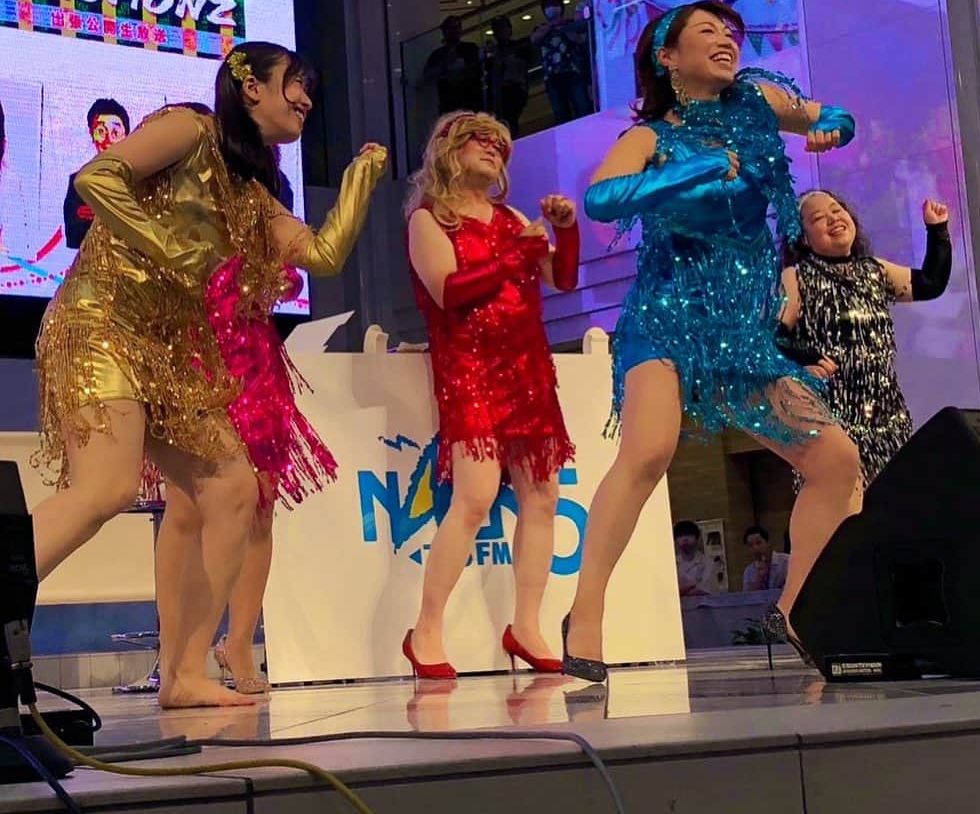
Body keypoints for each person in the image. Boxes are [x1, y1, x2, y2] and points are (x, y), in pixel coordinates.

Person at [32, 42, 388, 708]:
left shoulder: (252, 196)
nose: (307, 99)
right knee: (106, 487)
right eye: (296, 83)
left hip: (170, 353)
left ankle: (187, 674)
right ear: (251, 87)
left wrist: (361, 179)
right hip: (102, 321)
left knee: (230, 488)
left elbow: (324, 254)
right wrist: (172, 248)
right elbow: (96, 179)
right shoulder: (189, 128)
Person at [561, 2, 862, 682]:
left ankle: (794, 608)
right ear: (667, 57)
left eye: (729, 31)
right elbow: (602, 199)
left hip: (741, 330)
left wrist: (833, 129)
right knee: (648, 451)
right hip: (667, 314)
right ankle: (585, 614)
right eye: (706, 31)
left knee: (836, 461)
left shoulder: (758, 102)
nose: (725, 38)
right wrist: (691, 170)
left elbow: (835, 114)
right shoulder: (650, 135)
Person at [403, 110, 580, 678]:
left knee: (543, 497)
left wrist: (566, 231)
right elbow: (449, 292)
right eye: (480, 141)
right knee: (474, 498)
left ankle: (526, 624)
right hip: (471, 369)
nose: (493, 150)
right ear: (449, 149)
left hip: (528, 370)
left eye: (500, 146)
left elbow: (563, 279)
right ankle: (426, 629)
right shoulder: (429, 219)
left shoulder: (513, 219)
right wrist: (514, 258)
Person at [779, 190, 952, 489]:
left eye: (837, 210)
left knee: (898, 501)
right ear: (803, 238)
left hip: (888, 421)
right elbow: (774, 336)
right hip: (834, 423)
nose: (833, 218)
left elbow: (930, 283)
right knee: (844, 504)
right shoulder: (796, 277)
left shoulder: (875, 270)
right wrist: (807, 357)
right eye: (818, 218)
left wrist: (937, 230)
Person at [63, 98, 132, 249]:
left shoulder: (141, 180)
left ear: (126, 135)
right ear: (92, 136)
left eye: (115, 132)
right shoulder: (78, 182)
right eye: (101, 131)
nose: (108, 140)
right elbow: (73, 236)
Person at [530, 0, 591, 125]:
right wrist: (551, 25)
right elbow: (534, 39)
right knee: (561, 113)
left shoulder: (570, 24)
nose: (551, 7)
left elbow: (580, 40)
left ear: (561, 7)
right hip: (552, 77)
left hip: (573, 72)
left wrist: (564, 28)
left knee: (582, 107)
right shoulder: (540, 28)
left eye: (554, 4)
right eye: (548, 5)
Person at [422, 16, 485, 115]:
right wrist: (445, 64)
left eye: (455, 27)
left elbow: (479, 69)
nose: (453, 31)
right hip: (449, 102)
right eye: (449, 28)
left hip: (470, 101)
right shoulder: (438, 54)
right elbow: (427, 76)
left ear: (460, 30)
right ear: (444, 32)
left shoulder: (471, 48)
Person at [485, 15, 532, 138]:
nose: (500, 32)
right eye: (497, 29)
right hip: (498, 93)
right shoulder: (492, 53)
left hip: (514, 90)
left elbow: (520, 67)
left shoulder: (518, 47)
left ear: (509, 29)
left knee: (510, 121)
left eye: (502, 27)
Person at [741, 525, 789, 592]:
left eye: (758, 543)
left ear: (768, 542)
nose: (755, 548)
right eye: (750, 545)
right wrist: (759, 577)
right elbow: (747, 596)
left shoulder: (787, 561)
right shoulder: (749, 571)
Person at [673, 520, 713, 597]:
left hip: (703, 604)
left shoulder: (708, 563)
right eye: (680, 536)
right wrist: (693, 586)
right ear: (675, 540)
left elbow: (707, 590)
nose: (685, 539)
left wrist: (681, 592)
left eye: (689, 535)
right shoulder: (672, 564)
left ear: (697, 538)